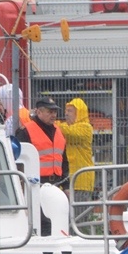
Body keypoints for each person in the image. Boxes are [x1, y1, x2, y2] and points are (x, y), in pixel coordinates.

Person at [15, 96, 69, 235]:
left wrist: (67, 186)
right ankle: (46, 250)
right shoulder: (25, 131)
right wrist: (21, 187)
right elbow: (19, 162)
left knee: (58, 219)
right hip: (35, 184)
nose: (53, 115)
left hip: (56, 184)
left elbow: (63, 160)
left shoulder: (58, 131)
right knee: (44, 222)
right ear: (39, 112)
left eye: (55, 112)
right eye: (49, 112)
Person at [57, 97, 95, 204]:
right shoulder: (65, 127)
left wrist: (53, 123)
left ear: (80, 113)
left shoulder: (85, 128)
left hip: (81, 182)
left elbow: (70, 133)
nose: (66, 114)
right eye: (66, 110)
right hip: (68, 181)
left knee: (79, 216)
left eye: (70, 111)